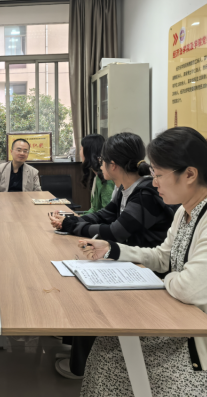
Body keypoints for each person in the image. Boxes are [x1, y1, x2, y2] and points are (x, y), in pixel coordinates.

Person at [78, 127, 207, 397]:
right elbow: (163, 257)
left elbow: (191, 289)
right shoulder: (187, 208)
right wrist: (112, 249)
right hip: (190, 320)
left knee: (121, 364)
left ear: (189, 174)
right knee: (107, 348)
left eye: (158, 175)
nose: (154, 182)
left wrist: (169, 278)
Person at [50, 132, 174, 380]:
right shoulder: (125, 188)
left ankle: (82, 366)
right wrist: (71, 221)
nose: (100, 164)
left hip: (145, 266)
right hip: (130, 258)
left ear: (113, 165)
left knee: (87, 292)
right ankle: (75, 345)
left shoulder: (146, 192)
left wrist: (73, 226)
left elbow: (117, 231)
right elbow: (105, 215)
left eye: (102, 160)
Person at [80, 134, 115, 215]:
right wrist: (77, 218)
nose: (79, 152)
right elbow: (95, 209)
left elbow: (107, 213)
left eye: (81, 149)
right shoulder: (97, 176)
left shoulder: (107, 178)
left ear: (88, 152)